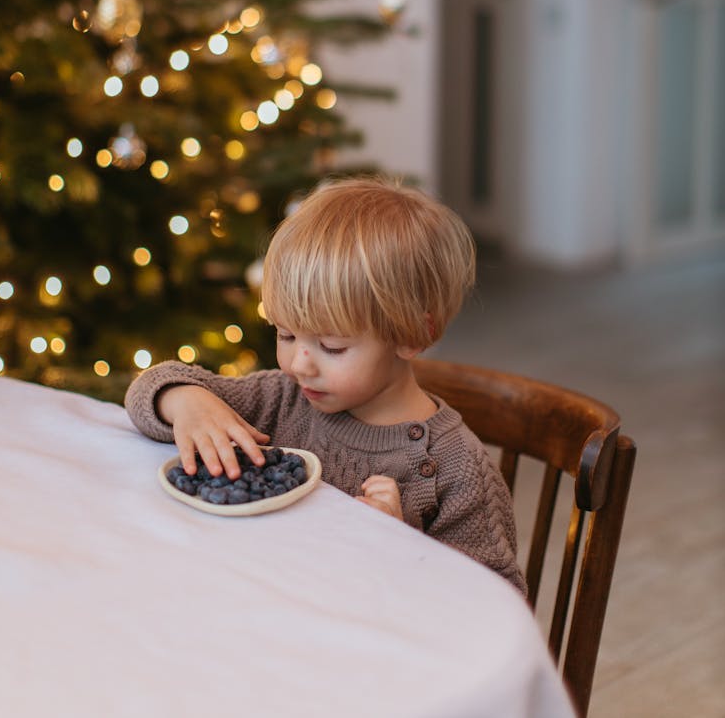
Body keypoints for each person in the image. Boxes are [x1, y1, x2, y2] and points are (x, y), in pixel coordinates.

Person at [125, 176, 527, 594]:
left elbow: (497, 602)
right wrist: (185, 401)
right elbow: (145, 389)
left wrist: (402, 546)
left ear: (411, 335)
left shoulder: (455, 469)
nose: (299, 364)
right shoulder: (280, 399)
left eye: (331, 346)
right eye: (285, 335)